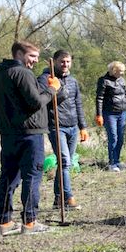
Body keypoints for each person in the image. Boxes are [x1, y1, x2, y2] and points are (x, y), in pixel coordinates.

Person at [0, 40, 59, 235]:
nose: (35, 61)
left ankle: (5, 222)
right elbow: (35, 102)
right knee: (32, 176)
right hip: (30, 133)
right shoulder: (23, 73)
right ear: (18, 54)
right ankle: (30, 222)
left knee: (8, 176)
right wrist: (52, 90)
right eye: (32, 56)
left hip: (8, 134)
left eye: (36, 57)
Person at [40, 50, 87, 210]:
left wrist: (83, 127)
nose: (65, 64)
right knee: (65, 162)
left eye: (67, 61)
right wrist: (55, 89)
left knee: (64, 164)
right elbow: (41, 100)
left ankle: (58, 199)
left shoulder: (73, 81)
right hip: (56, 126)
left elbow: (78, 104)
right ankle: (68, 198)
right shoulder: (46, 79)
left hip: (73, 126)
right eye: (62, 61)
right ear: (54, 62)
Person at [95, 61, 126, 172]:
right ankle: (112, 163)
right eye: (120, 71)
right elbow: (99, 99)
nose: (122, 74)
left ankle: (117, 160)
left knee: (120, 138)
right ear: (113, 71)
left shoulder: (122, 81)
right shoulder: (103, 81)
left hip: (122, 113)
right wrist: (99, 115)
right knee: (113, 137)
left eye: (123, 71)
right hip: (109, 113)